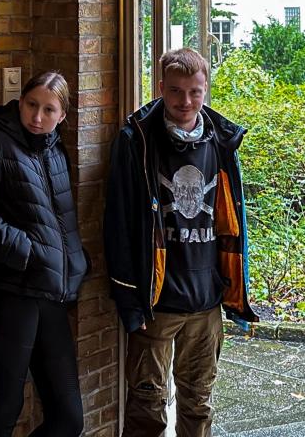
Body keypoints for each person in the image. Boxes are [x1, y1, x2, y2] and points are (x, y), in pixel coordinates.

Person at [104, 47, 257, 437]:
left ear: (206, 89)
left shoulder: (221, 141)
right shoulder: (136, 141)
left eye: (194, 91)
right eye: (175, 91)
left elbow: (232, 222)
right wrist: (129, 299)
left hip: (206, 301)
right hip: (157, 303)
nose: (185, 101)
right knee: (147, 408)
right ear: (160, 89)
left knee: (199, 401)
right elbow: (118, 224)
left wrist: (231, 289)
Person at [0, 70, 87, 437]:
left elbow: (58, 221)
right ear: (20, 101)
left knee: (68, 418)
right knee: (4, 409)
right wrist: (26, 251)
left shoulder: (55, 149)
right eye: (31, 105)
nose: (37, 117)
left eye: (48, 110)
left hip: (50, 293)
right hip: (9, 292)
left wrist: (75, 262)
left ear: (62, 116)